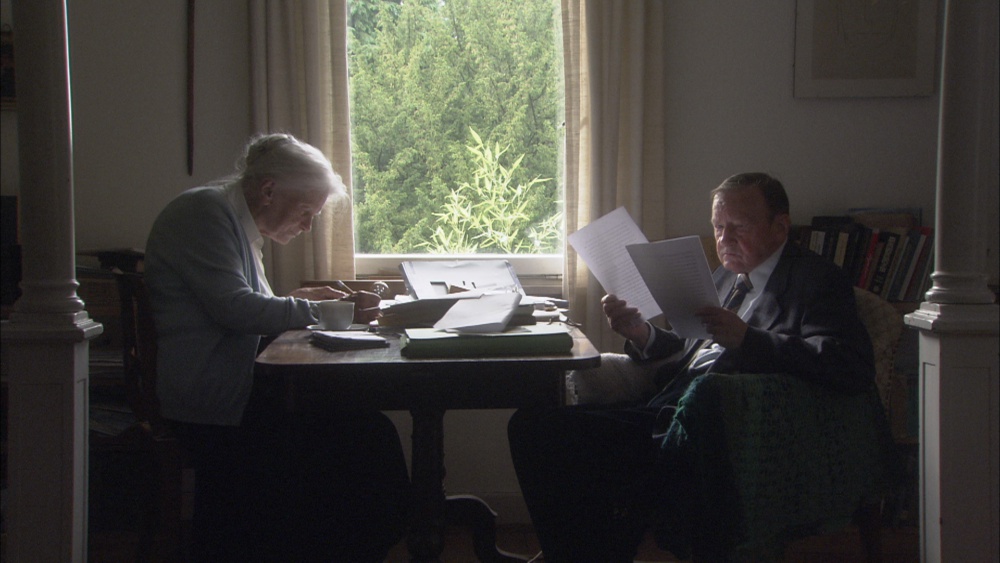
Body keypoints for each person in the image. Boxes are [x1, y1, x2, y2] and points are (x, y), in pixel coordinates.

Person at [508, 172, 876, 562]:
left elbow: (848, 363)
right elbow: (689, 346)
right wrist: (641, 333)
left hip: (717, 432)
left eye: (739, 227)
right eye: (718, 227)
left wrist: (748, 339)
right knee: (533, 423)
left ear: (780, 227)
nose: (724, 239)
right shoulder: (726, 276)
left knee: (544, 435)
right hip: (666, 408)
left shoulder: (815, 280)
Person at [144, 133, 410, 562]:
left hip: (236, 393)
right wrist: (325, 309)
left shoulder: (236, 221)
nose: (307, 227)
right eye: (306, 212)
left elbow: (248, 308)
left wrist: (300, 302)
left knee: (364, 428)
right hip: (213, 404)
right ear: (269, 190)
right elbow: (236, 310)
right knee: (365, 436)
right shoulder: (204, 213)